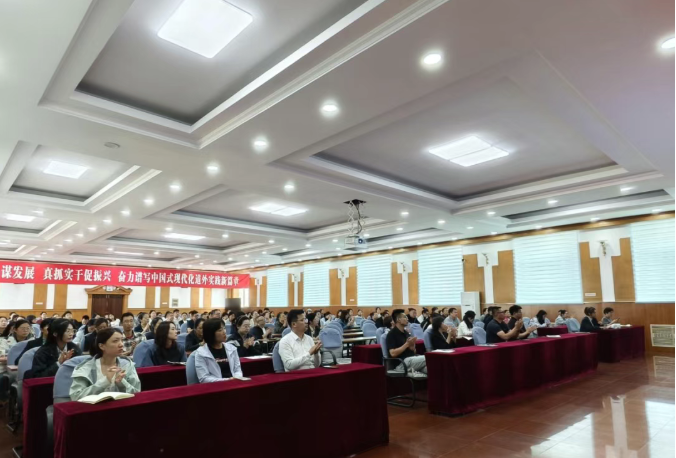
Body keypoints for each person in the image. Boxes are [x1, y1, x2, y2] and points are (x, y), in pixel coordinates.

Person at [69, 328, 141, 402]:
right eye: (115, 341)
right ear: (102, 346)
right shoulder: (86, 368)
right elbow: (76, 396)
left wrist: (121, 382)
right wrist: (105, 381)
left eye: (122, 340)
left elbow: (137, 393)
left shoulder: (127, 365)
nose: (121, 344)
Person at [194, 318, 243, 382]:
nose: (224, 332)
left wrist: (236, 378)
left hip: (234, 383)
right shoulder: (201, 353)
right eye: (220, 330)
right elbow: (204, 378)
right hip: (215, 386)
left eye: (224, 328)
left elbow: (237, 370)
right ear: (210, 333)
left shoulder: (232, 348)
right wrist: (227, 380)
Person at [386, 309, 426, 376]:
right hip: (401, 363)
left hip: (411, 360)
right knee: (429, 358)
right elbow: (392, 353)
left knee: (431, 369)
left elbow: (413, 352)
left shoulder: (406, 333)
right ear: (398, 320)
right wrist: (407, 344)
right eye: (405, 317)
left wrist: (412, 347)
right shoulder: (391, 334)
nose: (407, 319)